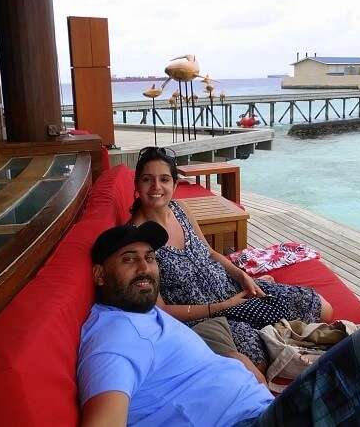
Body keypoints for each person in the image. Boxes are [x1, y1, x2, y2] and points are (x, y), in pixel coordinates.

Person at [78, 222, 360, 426]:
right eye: (129, 260)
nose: (145, 267)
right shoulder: (113, 338)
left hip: (266, 408)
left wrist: (229, 357)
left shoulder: (143, 312)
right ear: (99, 274)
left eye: (148, 258)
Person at [129, 147, 333, 369]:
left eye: (164, 179)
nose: (156, 187)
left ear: (175, 185)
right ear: (137, 185)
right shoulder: (137, 240)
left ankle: (275, 324)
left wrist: (241, 274)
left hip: (232, 289)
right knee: (258, 359)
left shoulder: (180, 210)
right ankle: (275, 332)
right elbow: (162, 310)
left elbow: (210, 252)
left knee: (323, 308)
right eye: (148, 179)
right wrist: (222, 306)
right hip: (206, 316)